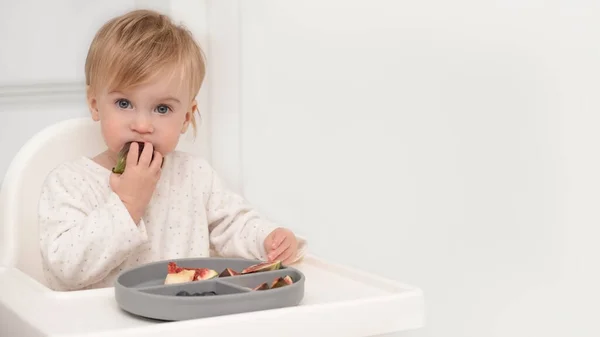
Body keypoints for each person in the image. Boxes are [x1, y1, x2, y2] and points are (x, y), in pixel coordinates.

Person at [37, 9, 306, 291]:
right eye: (124, 103)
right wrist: (127, 204)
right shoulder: (69, 183)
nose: (142, 125)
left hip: (187, 319)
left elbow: (233, 224)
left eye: (162, 108)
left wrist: (268, 238)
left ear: (186, 118)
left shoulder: (195, 175)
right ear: (94, 104)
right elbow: (64, 268)